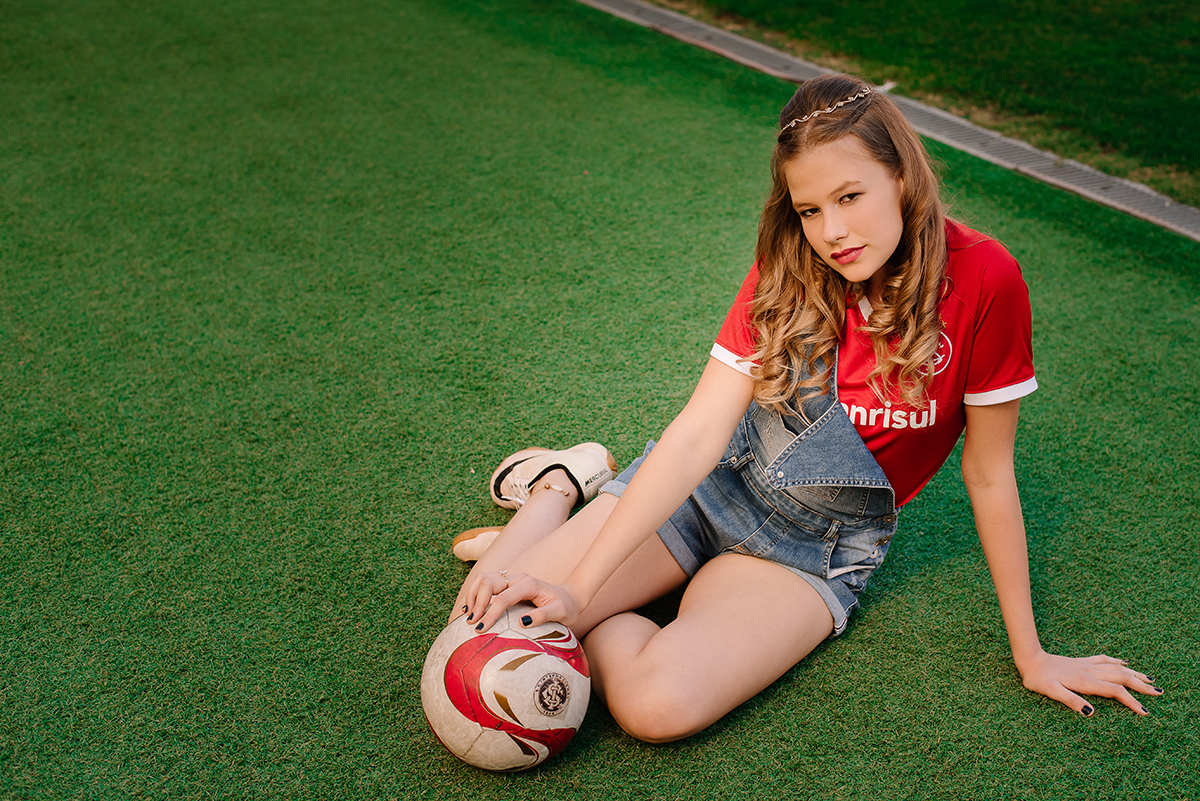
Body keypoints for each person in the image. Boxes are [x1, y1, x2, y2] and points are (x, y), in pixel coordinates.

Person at [446, 73, 1161, 743]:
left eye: (850, 197)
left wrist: (1032, 654)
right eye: (811, 209)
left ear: (903, 178)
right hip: (708, 489)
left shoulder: (985, 277)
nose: (832, 231)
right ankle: (556, 488)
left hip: (810, 549)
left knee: (653, 707)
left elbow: (988, 474)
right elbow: (698, 435)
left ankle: (604, 559)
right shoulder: (788, 267)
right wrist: (574, 588)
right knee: (475, 635)